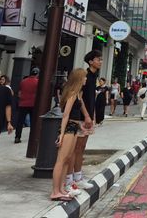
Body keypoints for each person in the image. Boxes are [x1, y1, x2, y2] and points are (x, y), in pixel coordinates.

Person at [50, 69, 90, 202]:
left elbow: (74, 116)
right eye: (84, 77)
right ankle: (55, 191)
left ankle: (62, 189)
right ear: (79, 78)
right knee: (61, 160)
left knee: (67, 159)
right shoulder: (72, 93)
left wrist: (81, 127)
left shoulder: (78, 94)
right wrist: (61, 134)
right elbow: (66, 115)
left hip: (74, 128)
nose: (86, 79)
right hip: (68, 129)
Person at [67, 50, 99, 193]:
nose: (100, 61)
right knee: (75, 149)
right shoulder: (84, 76)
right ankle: (70, 180)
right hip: (79, 118)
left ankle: (78, 177)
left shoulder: (93, 76)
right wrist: (86, 115)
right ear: (91, 61)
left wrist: (93, 117)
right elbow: (80, 99)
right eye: (98, 59)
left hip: (88, 118)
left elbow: (91, 99)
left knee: (81, 149)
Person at [15, 67, 39, 143]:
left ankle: (17, 137)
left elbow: (19, 93)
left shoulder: (23, 81)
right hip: (33, 104)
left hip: (23, 103)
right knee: (33, 121)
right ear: (37, 74)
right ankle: (32, 137)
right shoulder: (37, 82)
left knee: (20, 121)